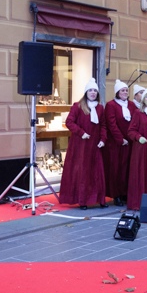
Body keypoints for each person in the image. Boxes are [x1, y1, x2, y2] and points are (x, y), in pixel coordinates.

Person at [59, 78, 107, 210]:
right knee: (83, 172)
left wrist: (103, 139)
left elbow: (103, 125)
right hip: (81, 145)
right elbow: (69, 122)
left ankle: (99, 198)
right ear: (86, 92)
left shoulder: (100, 108)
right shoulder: (78, 106)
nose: (93, 93)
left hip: (95, 145)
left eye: (95, 91)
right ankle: (83, 200)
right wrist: (81, 133)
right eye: (90, 90)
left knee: (97, 172)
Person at [103, 79, 136, 206]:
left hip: (130, 142)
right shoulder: (111, 105)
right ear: (117, 92)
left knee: (127, 169)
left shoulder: (131, 105)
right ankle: (116, 194)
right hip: (116, 144)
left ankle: (125, 193)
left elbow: (135, 121)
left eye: (126, 90)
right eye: (122, 90)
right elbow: (111, 124)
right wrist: (120, 139)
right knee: (116, 169)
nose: (125, 92)